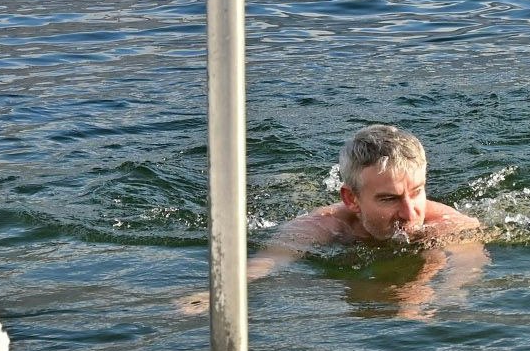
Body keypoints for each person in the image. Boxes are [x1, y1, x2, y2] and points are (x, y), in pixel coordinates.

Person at [180, 124, 484, 318]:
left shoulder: (446, 222)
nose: (409, 213)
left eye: (416, 193)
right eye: (389, 199)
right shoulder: (323, 226)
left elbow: (468, 262)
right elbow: (267, 263)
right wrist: (213, 295)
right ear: (351, 199)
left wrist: (448, 295)